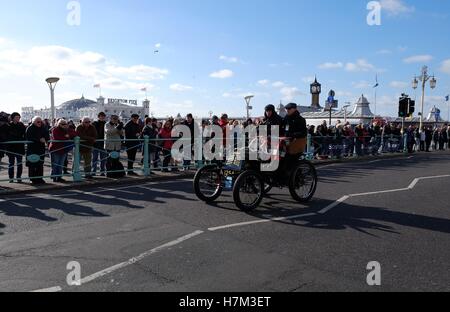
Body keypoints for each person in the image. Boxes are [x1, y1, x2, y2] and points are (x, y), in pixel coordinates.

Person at [282, 103, 307, 176]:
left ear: (294, 109)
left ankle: (294, 176)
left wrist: (291, 135)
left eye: (289, 109)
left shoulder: (300, 119)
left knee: (290, 159)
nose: (287, 110)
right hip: (286, 143)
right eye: (286, 109)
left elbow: (303, 133)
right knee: (280, 156)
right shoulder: (286, 118)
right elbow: (282, 128)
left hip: (296, 143)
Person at [26, 116, 50, 185]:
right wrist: (39, 139)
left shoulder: (43, 127)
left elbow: (47, 135)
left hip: (41, 148)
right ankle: (32, 179)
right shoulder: (30, 128)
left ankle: (40, 178)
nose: (39, 123)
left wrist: (45, 139)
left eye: (40, 122)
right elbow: (29, 137)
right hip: (32, 149)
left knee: (40, 164)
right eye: (38, 122)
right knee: (32, 164)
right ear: (34, 122)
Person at [6, 113, 27, 183]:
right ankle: (11, 178)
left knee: (19, 163)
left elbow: (25, 134)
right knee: (11, 163)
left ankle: (19, 177)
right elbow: (6, 135)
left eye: (19, 117)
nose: (18, 118)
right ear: (13, 118)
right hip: (11, 147)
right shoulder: (8, 125)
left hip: (19, 147)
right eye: (16, 117)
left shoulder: (21, 125)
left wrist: (23, 140)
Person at [92, 112, 108, 176]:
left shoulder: (106, 124)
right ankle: (94, 171)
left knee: (103, 158)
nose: (102, 117)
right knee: (94, 158)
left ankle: (102, 171)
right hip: (95, 143)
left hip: (103, 143)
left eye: (103, 116)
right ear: (98, 117)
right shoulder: (94, 123)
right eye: (101, 116)